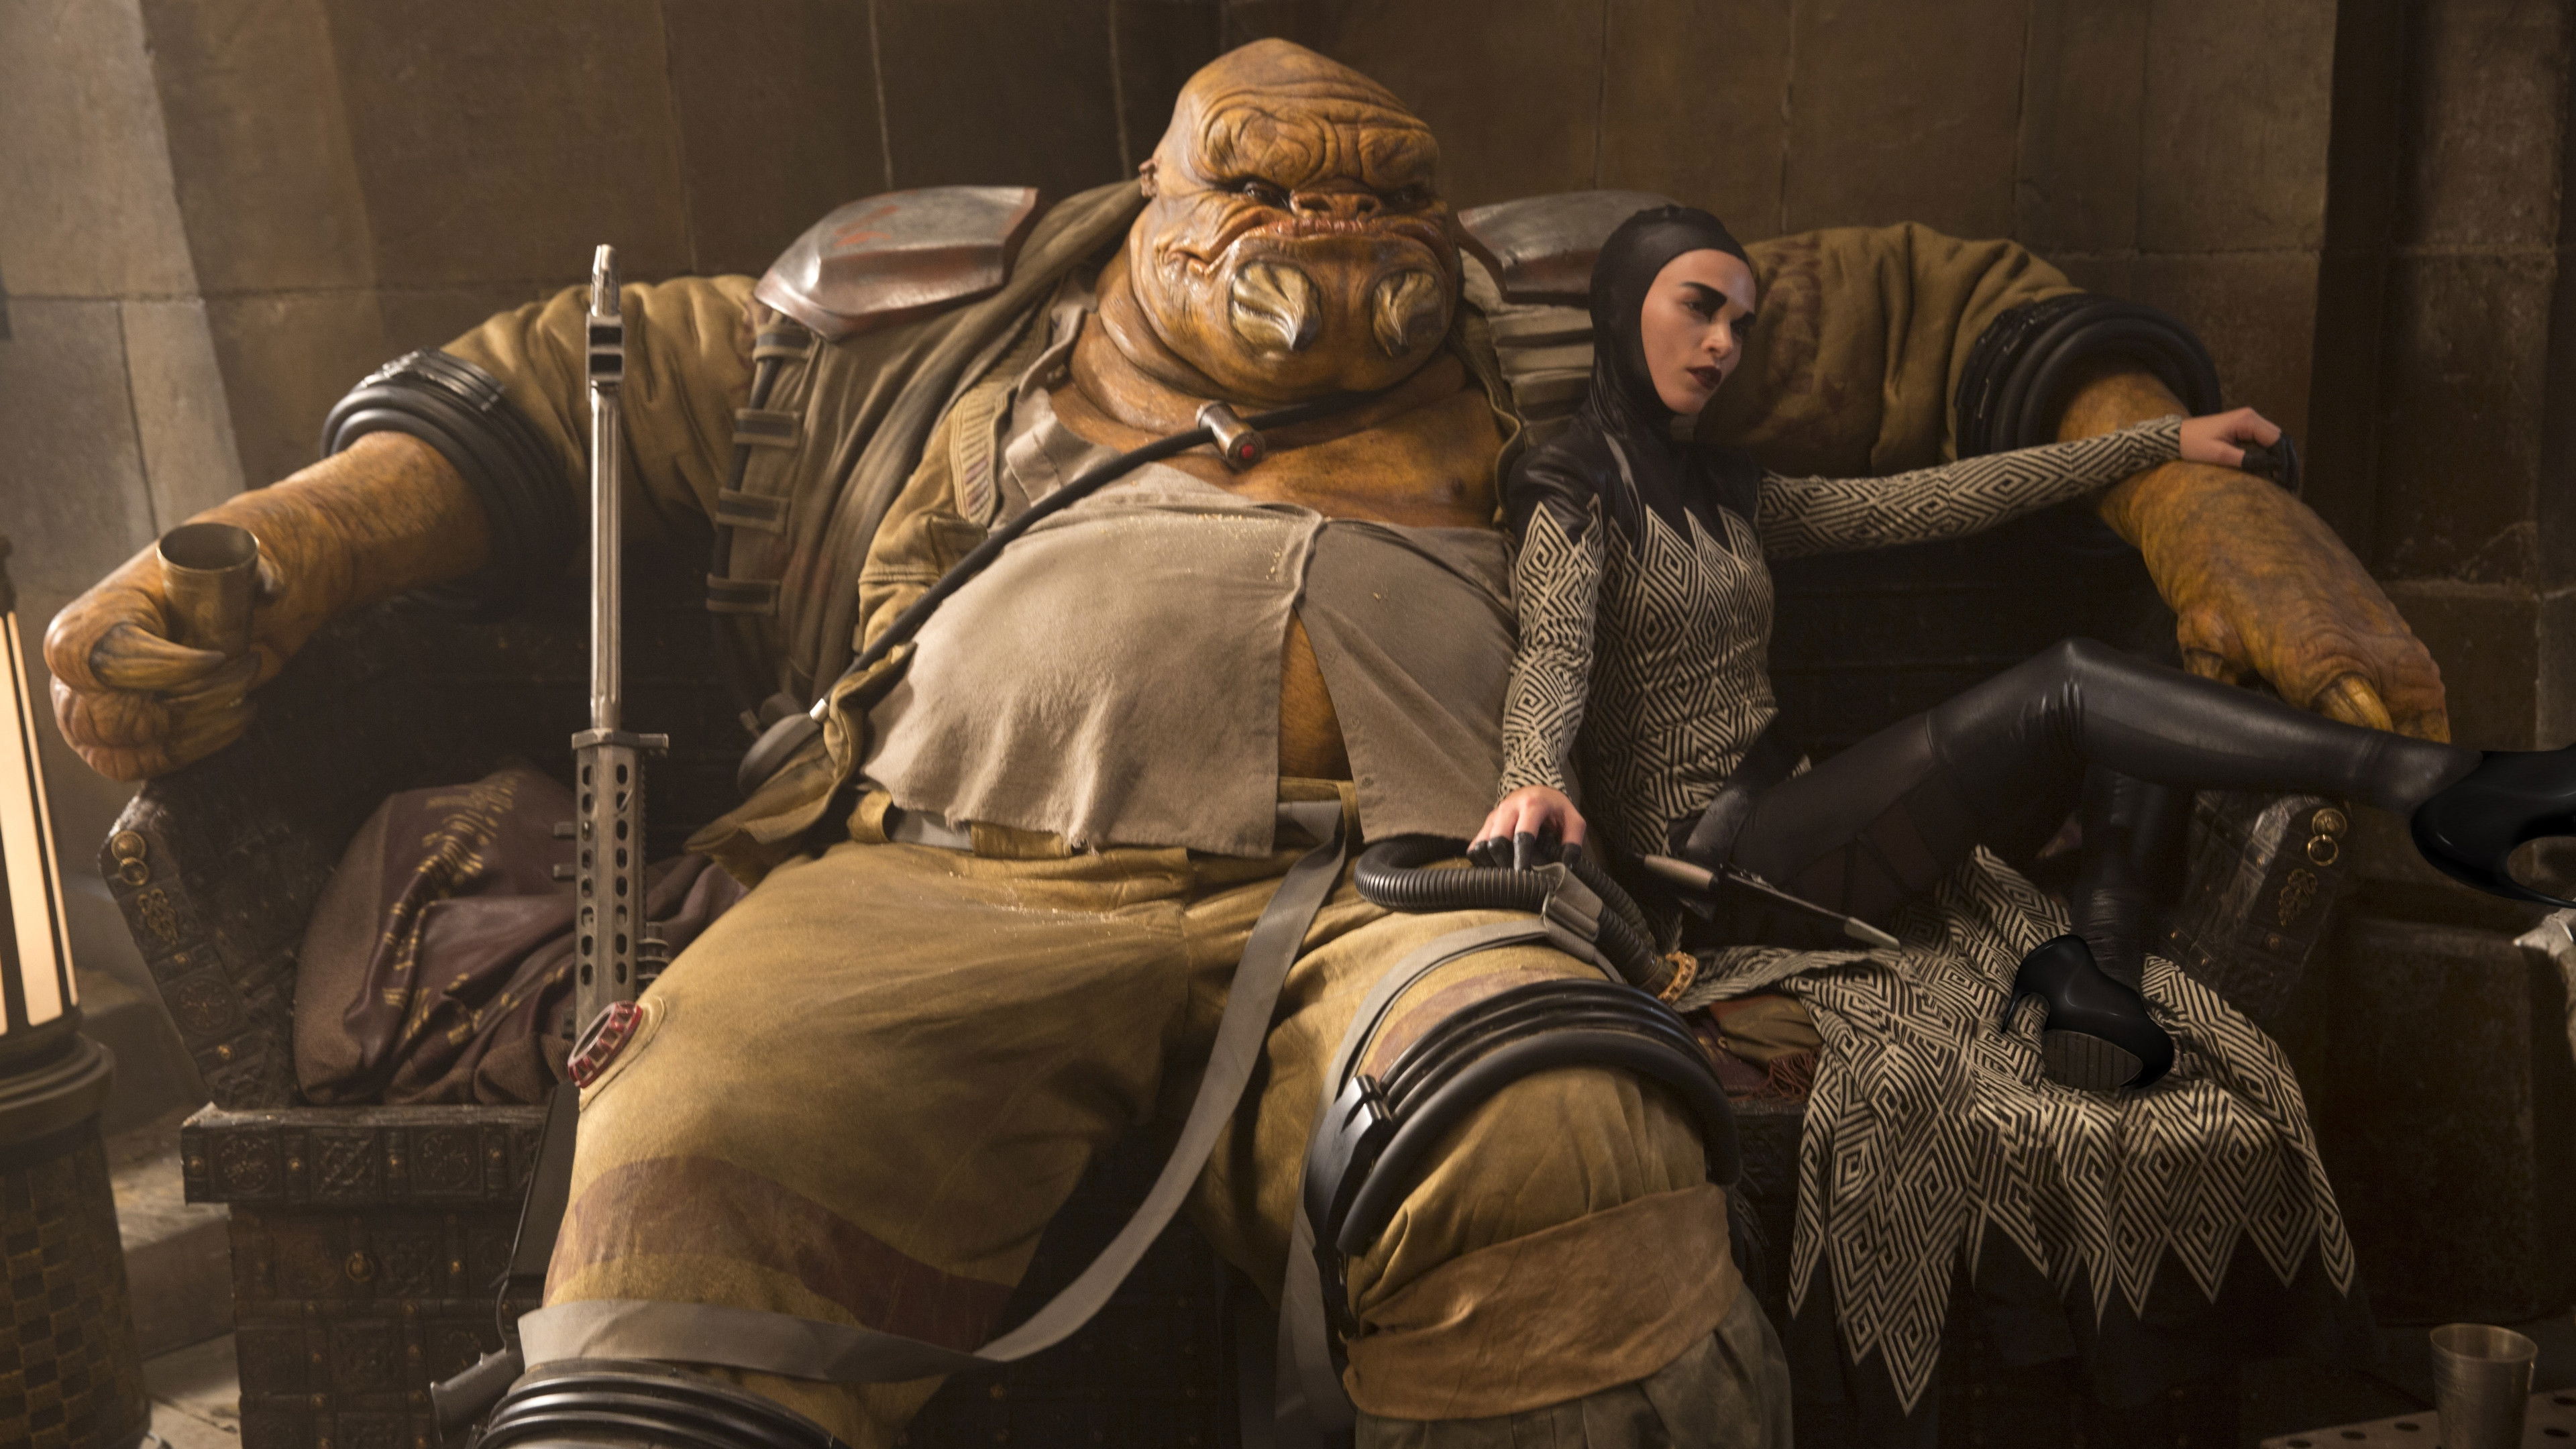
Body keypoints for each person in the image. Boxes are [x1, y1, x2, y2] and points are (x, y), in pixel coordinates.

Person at [38, 38, 2518, 1449]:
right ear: (1153, 201)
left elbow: (1939, 311)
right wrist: (289, 545)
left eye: (1378, 207)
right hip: (931, 869)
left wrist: (2200, 501)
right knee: (693, 1149)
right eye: (1269, 196)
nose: (1326, 245)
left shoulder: (1544, 329)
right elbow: (547, 391)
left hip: (1421, 883)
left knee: (1554, 1143)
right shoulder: (944, 325)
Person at [1471, 205, 2571, 1091]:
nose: (1723, 344)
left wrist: (2159, 444)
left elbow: (1933, 501)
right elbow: (1552, 653)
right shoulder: (1566, 485)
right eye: (1699, 308)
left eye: (1742, 324)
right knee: (2070, 688)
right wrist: (1530, 776)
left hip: (1795, 811)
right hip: (1718, 876)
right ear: (1622, 305)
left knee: (2137, 640)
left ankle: (2100, 968)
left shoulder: (1721, 485)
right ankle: (2431, 783)